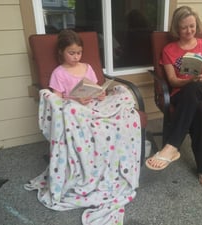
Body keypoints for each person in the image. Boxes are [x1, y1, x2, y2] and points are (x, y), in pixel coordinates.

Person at [25, 29, 142, 225]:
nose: (76, 56)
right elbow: (57, 100)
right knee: (71, 109)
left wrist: (101, 94)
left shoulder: (87, 67)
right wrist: (75, 98)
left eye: (79, 52)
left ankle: (114, 158)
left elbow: (96, 88)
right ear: (61, 51)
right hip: (75, 108)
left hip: (93, 104)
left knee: (122, 101)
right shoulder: (58, 73)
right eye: (71, 53)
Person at [145, 6, 202, 190]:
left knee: (196, 88)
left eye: (192, 26)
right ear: (176, 29)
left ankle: (172, 145)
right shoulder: (169, 50)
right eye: (184, 28)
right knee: (200, 109)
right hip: (182, 94)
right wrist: (191, 81)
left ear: (197, 24)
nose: (189, 31)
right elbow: (172, 80)